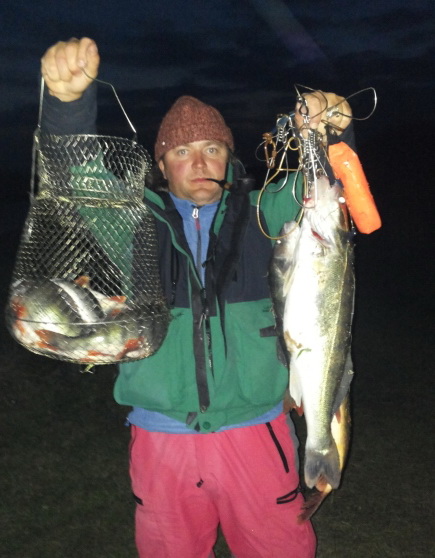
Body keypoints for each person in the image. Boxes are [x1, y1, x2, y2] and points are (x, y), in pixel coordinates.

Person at [39, 37, 351, 558]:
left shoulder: (264, 213)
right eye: (182, 151)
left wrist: (330, 127)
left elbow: (326, 192)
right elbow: (76, 176)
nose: (200, 161)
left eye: (213, 148)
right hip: (162, 441)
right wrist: (67, 104)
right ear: (162, 165)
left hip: (257, 432)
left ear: (229, 157)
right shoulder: (133, 221)